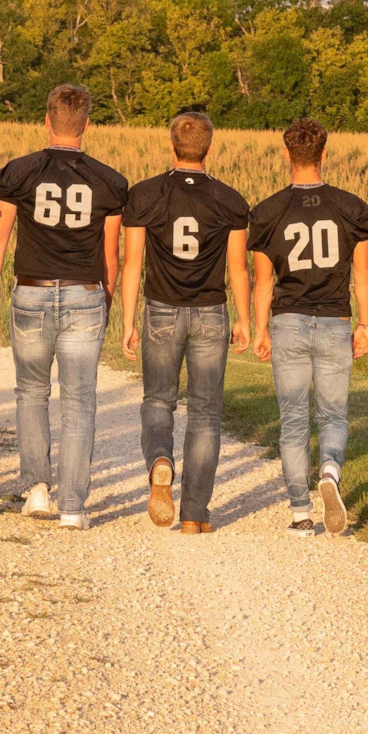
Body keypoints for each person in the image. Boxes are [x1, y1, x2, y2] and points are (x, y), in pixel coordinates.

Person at [0, 85, 127, 527]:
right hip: (85, 292)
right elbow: (111, 257)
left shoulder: (18, 172)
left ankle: (37, 490)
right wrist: (106, 299)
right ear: (86, 124)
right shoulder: (109, 181)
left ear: (46, 121)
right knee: (80, 401)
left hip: (31, 290)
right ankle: (73, 507)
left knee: (31, 392)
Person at [117, 109, 252, 532]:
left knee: (158, 400)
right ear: (209, 148)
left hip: (160, 309)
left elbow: (132, 262)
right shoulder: (230, 200)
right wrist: (244, 319)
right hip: (211, 312)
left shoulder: (144, 194)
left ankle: (160, 462)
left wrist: (127, 321)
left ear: (170, 145)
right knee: (206, 412)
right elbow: (237, 269)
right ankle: (195, 514)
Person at [243, 117, 368, 536]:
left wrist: (260, 328)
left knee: (294, 418)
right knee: (333, 413)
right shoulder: (352, 208)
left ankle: (301, 512)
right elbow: (363, 277)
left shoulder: (266, 212)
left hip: (288, 321)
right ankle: (331, 473)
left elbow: (263, 282)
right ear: (324, 153)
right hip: (335, 319)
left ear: (286, 154)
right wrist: (366, 324)